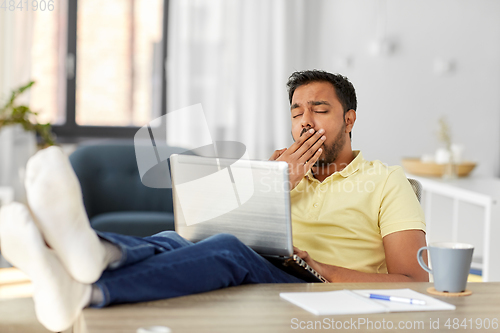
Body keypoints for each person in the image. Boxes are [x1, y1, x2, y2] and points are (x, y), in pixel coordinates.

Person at [0, 70, 427, 332]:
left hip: (322, 288)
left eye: (319, 110)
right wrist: (273, 181)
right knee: (179, 238)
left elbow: (414, 281)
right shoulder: (280, 168)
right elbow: (206, 222)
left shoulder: (386, 181)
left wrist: (322, 268)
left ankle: (90, 291)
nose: (305, 123)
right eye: (297, 112)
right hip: (271, 264)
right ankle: (94, 254)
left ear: (349, 119)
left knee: (227, 251)